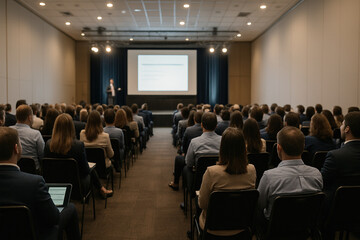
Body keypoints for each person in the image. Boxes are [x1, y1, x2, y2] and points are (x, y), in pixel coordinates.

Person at [0, 127, 81, 240]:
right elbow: (53, 218)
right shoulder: (34, 183)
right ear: (16, 148)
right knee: (71, 208)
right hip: (35, 235)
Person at [198, 127, 256, 236]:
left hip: (213, 228)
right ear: (243, 147)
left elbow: (202, 204)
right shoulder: (252, 169)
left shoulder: (212, 172)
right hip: (242, 226)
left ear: (222, 147)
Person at [257, 127, 323, 222]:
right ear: (303, 146)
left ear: (278, 148)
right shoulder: (316, 174)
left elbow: (259, 206)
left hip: (275, 230)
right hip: (305, 229)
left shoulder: (269, 177)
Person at [45, 113, 113, 198]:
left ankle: (101, 189)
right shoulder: (78, 145)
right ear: (71, 127)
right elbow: (85, 170)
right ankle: (101, 189)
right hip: (76, 186)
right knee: (91, 170)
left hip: (54, 184)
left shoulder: (48, 145)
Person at [321, 111, 360, 196]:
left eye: (342, 124)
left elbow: (322, 183)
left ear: (347, 129)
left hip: (338, 208)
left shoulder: (335, 156)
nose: (340, 127)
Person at [182, 112, 222, 194]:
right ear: (216, 126)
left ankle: (191, 193)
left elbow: (189, 163)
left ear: (201, 125)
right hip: (220, 180)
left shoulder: (194, 142)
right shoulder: (223, 141)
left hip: (199, 181)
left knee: (186, 169)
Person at [168, 111, 203, 190]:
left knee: (178, 158)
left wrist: (184, 152)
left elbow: (184, 146)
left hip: (193, 161)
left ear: (195, 119)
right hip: (211, 166)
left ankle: (176, 183)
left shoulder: (189, 130)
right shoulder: (219, 137)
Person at [10, 105, 44, 170]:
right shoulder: (36, 134)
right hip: (33, 171)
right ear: (29, 117)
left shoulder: (8, 131)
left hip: (13, 169)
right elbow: (42, 155)